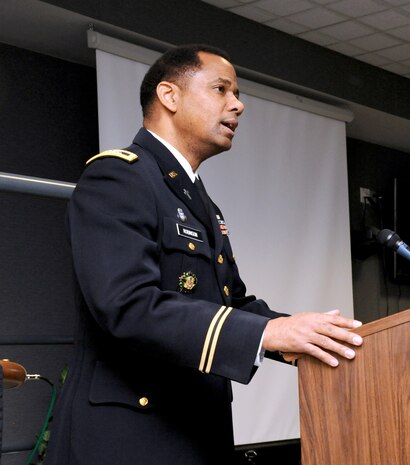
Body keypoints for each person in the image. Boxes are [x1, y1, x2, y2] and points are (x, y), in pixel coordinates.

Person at [44, 44, 363, 465]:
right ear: (169, 96)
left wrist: (302, 331)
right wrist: (267, 335)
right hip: (130, 438)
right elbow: (126, 304)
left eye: (236, 94)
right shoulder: (118, 176)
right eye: (221, 89)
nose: (238, 105)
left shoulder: (200, 203)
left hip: (194, 430)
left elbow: (230, 304)